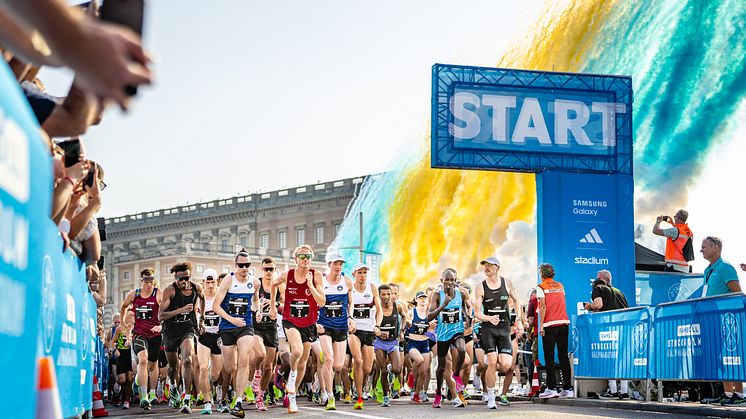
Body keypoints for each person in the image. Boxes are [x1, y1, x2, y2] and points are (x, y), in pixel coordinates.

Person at [269, 245, 325, 414]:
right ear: (295, 259)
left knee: (303, 364)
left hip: (308, 323)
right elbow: (273, 284)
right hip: (290, 320)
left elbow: (321, 301)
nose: (306, 259)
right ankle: (291, 378)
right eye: (302, 256)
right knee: (298, 351)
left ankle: (291, 396)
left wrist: (310, 285)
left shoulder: (316, 275)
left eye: (308, 256)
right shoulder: (288, 275)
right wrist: (273, 306)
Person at [212, 249, 261, 417]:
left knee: (244, 360)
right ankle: (221, 388)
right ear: (235, 266)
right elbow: (215, 306)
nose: (244, 268)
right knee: (230, 367)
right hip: (227, 327)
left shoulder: (255, 282)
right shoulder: (228, 280)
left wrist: (257, 309)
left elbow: (255, 300)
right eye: (241, 265)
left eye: (247, 265)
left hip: (245, 326)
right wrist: (232, 320)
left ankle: (238, 402)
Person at [473, 256, 524, 408]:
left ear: (497, 267)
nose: (486, 268)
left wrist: (519, 321)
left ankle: (489, 367)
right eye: (485, 265)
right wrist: (488, 318)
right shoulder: (480, 287)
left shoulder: (507, 283)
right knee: (493, 362)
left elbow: (517, 300)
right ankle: (491, 396)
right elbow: (476, 313)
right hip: (488, 328)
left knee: (506, 366)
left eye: (489, 265)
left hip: (504, 328)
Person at [700, 236, 743, 405]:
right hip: (712, 319)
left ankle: (739, 394)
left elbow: (737, 294)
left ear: (716, 248)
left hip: (727, 320)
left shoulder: (726, 267)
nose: (701, 250)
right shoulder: (707, 270)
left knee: (731, 354)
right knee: (719, 356)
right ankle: (727, 392)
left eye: (704, 247)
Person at [158, 262, 204, 414]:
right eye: (181, 279)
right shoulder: (170, 290)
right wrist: (181, 310)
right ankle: (172, 387)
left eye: (187, 278)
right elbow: (160, 316)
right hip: (170, 330)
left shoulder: (196, 288)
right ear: (175, 277)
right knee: (173, 367)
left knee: (188, 360)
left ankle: (187, 399)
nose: (184, 282)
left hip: (187, 328)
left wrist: (201, 319)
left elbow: (202, 299)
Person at [119, 268, 162, 411]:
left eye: (151, 281)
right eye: (146, 281)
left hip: (155, 335)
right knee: (142, 360)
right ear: (141, 280)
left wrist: (161, 325)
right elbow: (124, 307)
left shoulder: (158, 293)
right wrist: (123, 322)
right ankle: (144, 397)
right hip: (139, 334)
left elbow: (165, 310)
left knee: (151, 365)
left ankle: (144, 386)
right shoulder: (134, 294)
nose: (149, 285)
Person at [428, 268, 472, 408]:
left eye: (452, 280)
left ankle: (456, 375)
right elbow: (429, 316)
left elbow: (467, 308)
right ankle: (438, 394)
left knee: (462, 350)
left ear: (455, 281)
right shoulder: (437, 295)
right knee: (441, 367)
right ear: (442, 281)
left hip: (457, 330)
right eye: (446, 280)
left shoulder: (462, 293)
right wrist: (444, 305)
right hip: (442, 333)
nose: (449, 283)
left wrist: (468, 318)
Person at [584, 270, 630, 399]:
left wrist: (589, 306)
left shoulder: (598, 288)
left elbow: (598, 305)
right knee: (622, 359)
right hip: (623, 328)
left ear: (600, 279)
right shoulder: (619, 292)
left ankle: (613, 391)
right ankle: (624, 392)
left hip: (608, 329)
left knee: (609, 358)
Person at [316, 253, 353, 411]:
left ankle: (320, 379)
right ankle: (329, 395)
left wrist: (350, 317)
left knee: (338, 366)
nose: (338, 267)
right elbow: (314, 303)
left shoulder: (347, 282)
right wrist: (315, 322)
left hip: (341, 327)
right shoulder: (321, 281)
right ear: (329, 264)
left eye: (341, 264)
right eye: (335, 264)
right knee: (329, 359)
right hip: (325, 326)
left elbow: (351, 303)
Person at [346, 262, 382, 410]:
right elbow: (346, 307)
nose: (363, 276)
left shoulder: (372, 288)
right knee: (358, 361)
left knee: (367, 368)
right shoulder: (350, 288)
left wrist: (377, 325)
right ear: (354, 274)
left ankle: (357, 381)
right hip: (354, 330)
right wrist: (349, 321)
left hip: (369, 330)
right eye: (359, 273)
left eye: (365, 273)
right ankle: (359, 397)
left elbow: (379, 311)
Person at [536, 263, 573, 399]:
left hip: (550, 325)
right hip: (564, 323)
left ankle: (551, 388)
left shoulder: (540, 287)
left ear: (542, 274)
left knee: (549, 357)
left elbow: (543, 306)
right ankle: (568, 388)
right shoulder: (560, 286)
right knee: (563, 356)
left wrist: (541, 326)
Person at [253, 257, 282, 412]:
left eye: (271, 269)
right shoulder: (256, 284)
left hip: (271, 327)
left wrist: (275, 304)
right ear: (262, 270)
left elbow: (287, 303)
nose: (269, 272)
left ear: (275, 269)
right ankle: (256, 373)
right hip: (257, 325)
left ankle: (260, 397)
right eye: (266, 269)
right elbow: (248, 302)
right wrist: (255, 309)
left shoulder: (279, 285)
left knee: (269, 366)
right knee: (260, 354)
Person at [373, 284, 409, 407]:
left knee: (397, 369)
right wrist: (377, 332)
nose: (387, 297)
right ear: (379, 296)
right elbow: (372, 325)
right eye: (383, 294)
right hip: (379, 342)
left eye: (388, 294)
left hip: (393, 342)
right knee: (382, 370)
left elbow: (404, 318)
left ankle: (390, 371)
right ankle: (385, 397)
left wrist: (401, 331)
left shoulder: (397, 306)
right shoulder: (376, 309)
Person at [196, 268, 222, 415]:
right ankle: (207, 402)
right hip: (204, 336)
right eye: (208, 282)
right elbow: (194, 313)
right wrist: (199, 325)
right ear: (203, 283)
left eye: (213, 282)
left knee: (215, 374)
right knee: (203, 368)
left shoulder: (221, 295)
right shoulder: (199, 297)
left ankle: (213, 386)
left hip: (218, 336)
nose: (210, 285)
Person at [406, 291, 433, 403]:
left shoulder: (429, 314)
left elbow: (431, 330)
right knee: (419, 360)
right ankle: (411, 377)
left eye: (424, 298)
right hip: (413, 343)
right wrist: (407, 323)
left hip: (424, 343)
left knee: (423, 372)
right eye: (420, 298)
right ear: (416, 300)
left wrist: (431, 327)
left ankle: (416, 394)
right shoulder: (412, 312)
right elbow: (405, 321)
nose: (422, 300)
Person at [109, 311, 135, 409]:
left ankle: (126, 401)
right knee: (122, 380)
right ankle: (117, 388)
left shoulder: (136, 329)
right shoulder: (120, 328)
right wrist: (115, 350)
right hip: (121, 355)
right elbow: (112, 342)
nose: (131, 320)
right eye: (130, 317)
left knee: (129, 379)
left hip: (131, 355)